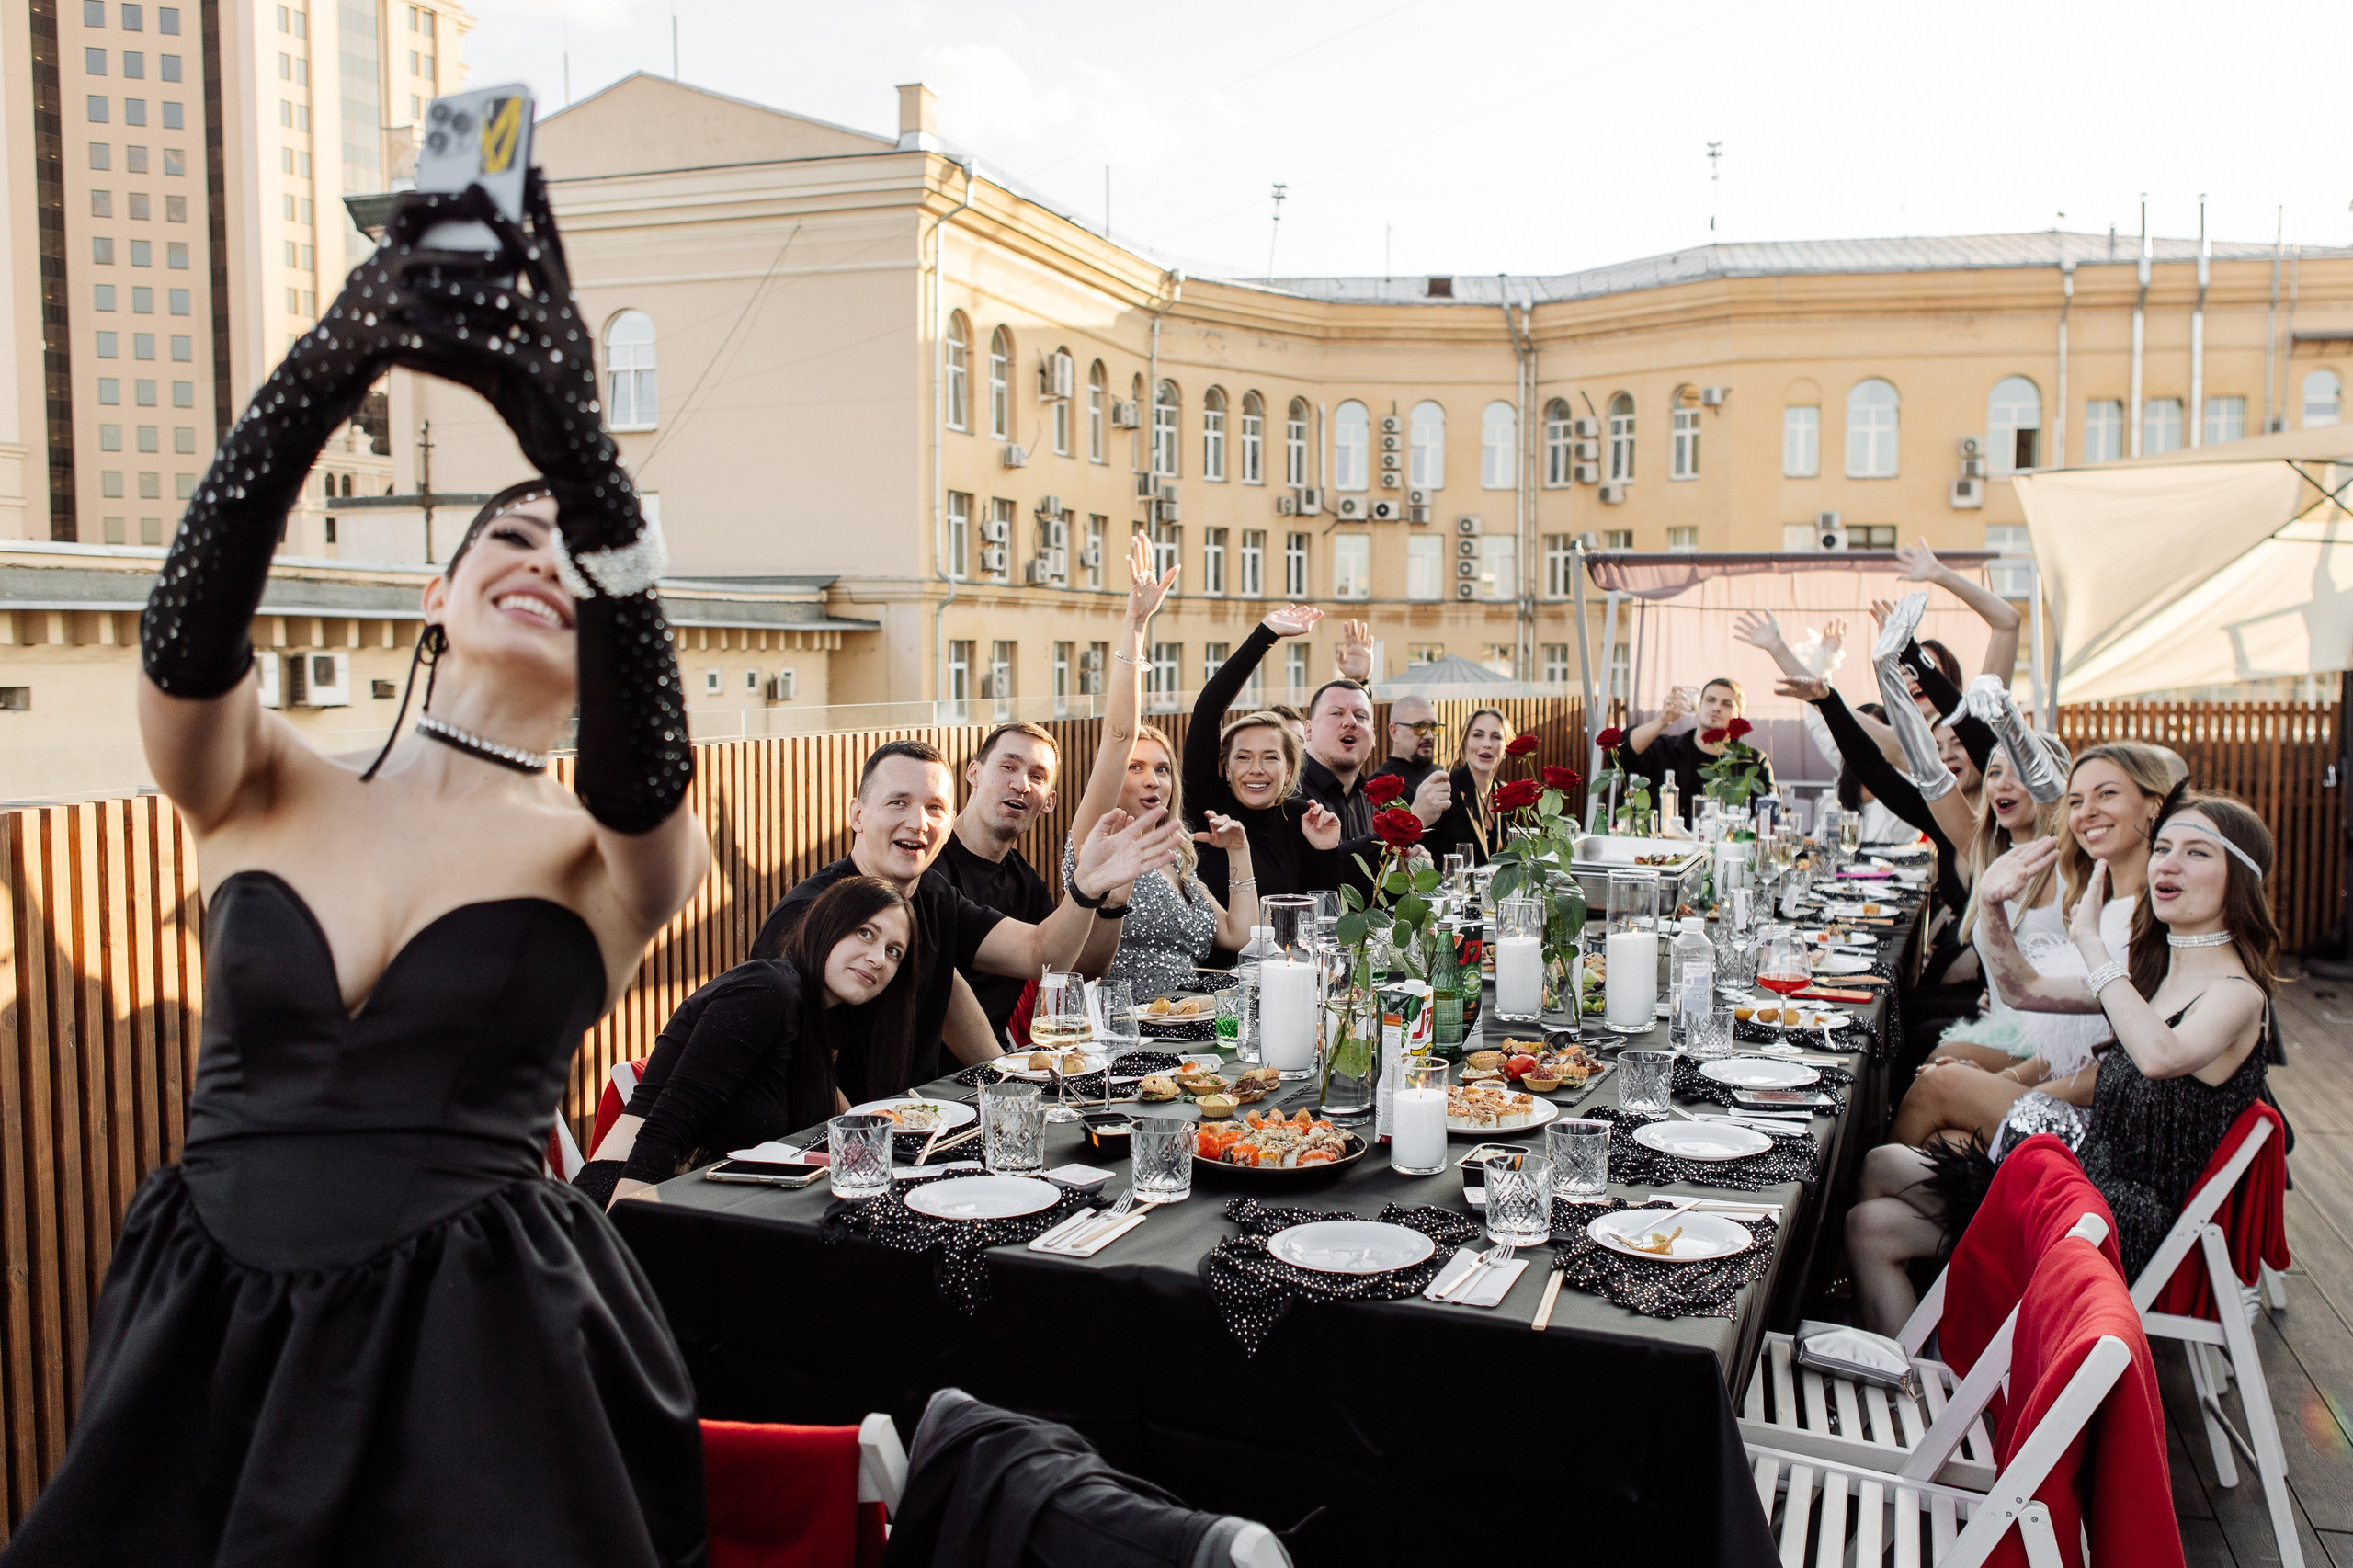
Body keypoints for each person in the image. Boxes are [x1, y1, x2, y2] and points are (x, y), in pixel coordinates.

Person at [6, 184, 709, 1562]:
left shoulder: (607, 854)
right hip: (209, 1320)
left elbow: (650, 772)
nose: (543, 564)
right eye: (509, 539)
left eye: (574, 557)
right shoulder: (255, 780)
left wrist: (577, 450)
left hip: (478, 1349)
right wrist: (336, 357)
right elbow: (188, 628)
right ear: (430, 601)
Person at [1846, 790, 2277, 1332]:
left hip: (2110, 1221)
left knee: (1889, 1179)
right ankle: (1903, 1381)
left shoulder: (2238, 993)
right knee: (1871, 1208)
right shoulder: (2161, 976)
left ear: (2242, 876)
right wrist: (1995, 908)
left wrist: (2094, 945)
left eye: (2197, 852)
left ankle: (1950, 1344)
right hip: (2076, 1180)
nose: (2167, 862)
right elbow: (2023, 988)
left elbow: (2160, 1056)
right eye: (2163, 848)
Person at [748, 740, 1184, 1084]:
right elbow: (801, 1071)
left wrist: (1088, 888)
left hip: (920, 1120)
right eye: (898, 802)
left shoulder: (933, 893)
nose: (918, 822)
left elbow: (1040, 955)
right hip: (822, 1147)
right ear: (858, 816)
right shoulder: (809, 913)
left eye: (934, 808)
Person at [577, 878, 918, 1208]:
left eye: (893, 952)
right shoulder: (767, 990)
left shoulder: (817, 1015)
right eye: (865, 933)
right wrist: (621, 1237)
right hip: (633, 1193)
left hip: (712, 1197)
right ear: (826, 925)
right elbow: (663, 1130)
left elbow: (841, 1119)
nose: (878, 959)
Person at [1063, 536, 1257, 997]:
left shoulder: (1176, 855)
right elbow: (1117, 736)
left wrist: (1239, 852)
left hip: (1194, 1027)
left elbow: (1241, 936)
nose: (1154, 779)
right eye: (1136, 768)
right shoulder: (1096, 838)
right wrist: (1135, 624)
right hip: (1125, 1032)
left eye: (1163, 769)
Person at [1183, 605, 1347, 902]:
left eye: (1270, 757)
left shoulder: (1302, 818)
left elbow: (1322, 915)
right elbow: (1207, 713)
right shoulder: (1208, 807)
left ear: (1289, 768)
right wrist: (1265, 635)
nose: (1256, 768)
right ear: (1227, 767)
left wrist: (1325, 850)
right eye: (1243, 757)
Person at [933, 722, 1060, 1040]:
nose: (1021, 784)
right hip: (927, 1077)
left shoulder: (1026, 880)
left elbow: (1075, 968)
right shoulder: (927, 863)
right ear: (974, 773)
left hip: (999, 1065)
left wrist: (1110, 898)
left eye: (1037, 776)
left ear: (1049, 802)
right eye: (1008, 767)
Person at [1615, 676, 1773, 827]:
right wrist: (1663, 720)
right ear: (1698, 707)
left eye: (1727, 704)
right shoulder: (1665, 749)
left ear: (1739, 716)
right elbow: (1618, 756)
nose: (1716, 707)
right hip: (1666, 851)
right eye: (1710, 700)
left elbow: (1770, 814)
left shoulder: (1753, 762)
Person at [1423, 706, 1509, 864]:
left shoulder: (1508, 795)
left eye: (1496, 737)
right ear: (1464, 744)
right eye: (1478, 735)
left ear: (1505, 749)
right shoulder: (1445, 790)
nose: (1487, 744)